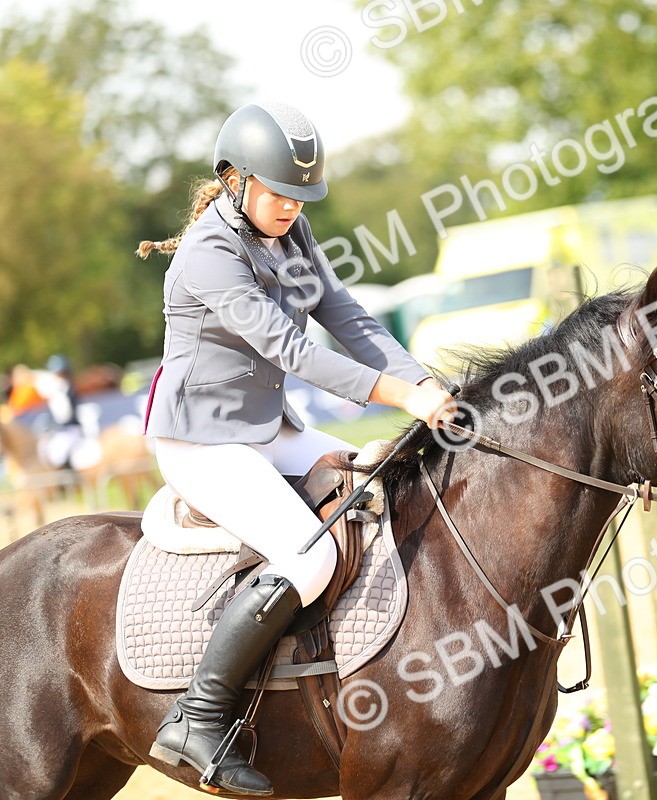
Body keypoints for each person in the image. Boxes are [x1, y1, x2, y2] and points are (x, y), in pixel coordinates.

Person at [137, 101, 455, 796]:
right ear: (234, 181)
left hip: (265, 427)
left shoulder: (291, 230)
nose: (290, 205)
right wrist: (404, 400)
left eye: (301, 195)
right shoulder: (208, 254)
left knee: (382, 482)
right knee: (308, 555)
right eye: (279, 192)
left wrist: (424, 380)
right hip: (200, 441)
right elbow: (290, 349)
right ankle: (198, 716)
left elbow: (344, 315)